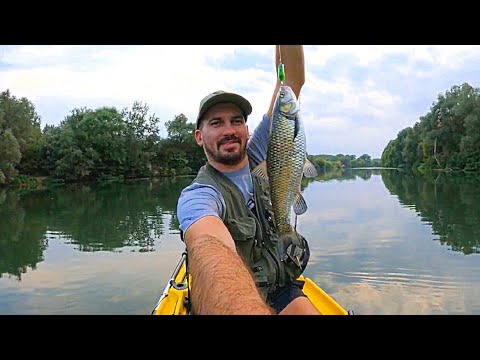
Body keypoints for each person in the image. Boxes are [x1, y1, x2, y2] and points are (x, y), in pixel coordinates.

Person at [177, 45, 320, 315]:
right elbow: (209, 246)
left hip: (279, 289)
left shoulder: (262, 151)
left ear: (246, 128)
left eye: (236, 120)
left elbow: (291, 80)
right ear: (199, 136)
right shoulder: (199, 195)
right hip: (232, 294)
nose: (229, 130)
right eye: (216, 123)